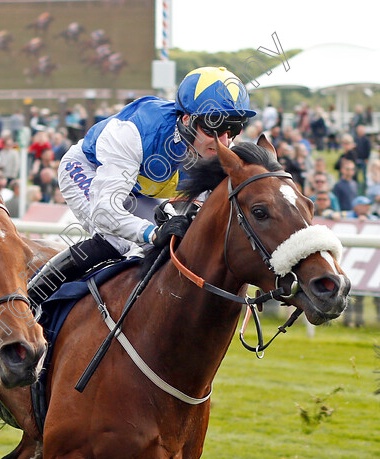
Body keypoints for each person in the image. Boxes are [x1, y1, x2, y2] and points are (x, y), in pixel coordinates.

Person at [28, 66, 256, 304]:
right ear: (187, 119)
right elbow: (105, 212)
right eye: (213, 128)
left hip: (139, 188)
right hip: (88, 170)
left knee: (172, 247)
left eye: (234, 128)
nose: (223, 142)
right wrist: (153, 232)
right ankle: (30, 298)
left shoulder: (216, 148)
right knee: (118, 240)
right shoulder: (134, 132)